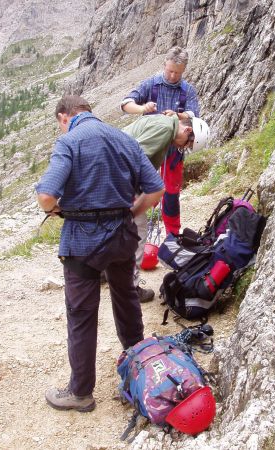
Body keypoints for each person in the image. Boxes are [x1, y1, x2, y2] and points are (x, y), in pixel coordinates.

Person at [36, 95, 164, 412]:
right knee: (126, 296)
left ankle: (80, 393)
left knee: (81, 314)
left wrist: (56, 210)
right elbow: (157, 188)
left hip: (82, 242)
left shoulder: (69, 142)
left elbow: (46, 196)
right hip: (122, 235)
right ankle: (139, 361)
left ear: (64, 117)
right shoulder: (124, 138)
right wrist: (131, 211)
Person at [122, 113, 210, 302]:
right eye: (188, 143)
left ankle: (105, 271)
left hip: (114, 174)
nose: (184, 147)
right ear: (187, 130)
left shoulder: (162, 124)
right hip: (120, 178)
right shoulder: (165, 130)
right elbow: (135, 157)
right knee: (137, 229)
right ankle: (130, 287)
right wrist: (148, 189)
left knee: (115, 225)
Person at [121, 46, 200, 237]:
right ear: (164, 64)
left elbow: (193, 117)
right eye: (170, 70)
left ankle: (172, 235)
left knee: (171, 193)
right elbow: (125, 104)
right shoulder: (151, 84)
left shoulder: (188, 90)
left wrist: (178, 115)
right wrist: (142, 108)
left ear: (183, 71)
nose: (173, 76)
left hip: (173, 152)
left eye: (177, 73)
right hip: (148, 145)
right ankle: (133, 228)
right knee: (138, 187)